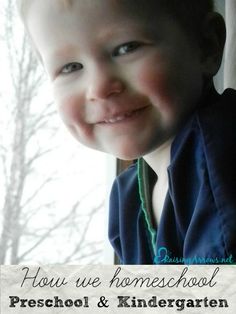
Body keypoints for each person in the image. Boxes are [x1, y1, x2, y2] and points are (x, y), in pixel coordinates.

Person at [17, 0, 236, 264]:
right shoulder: (128, 197)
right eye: (70, 67)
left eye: (126, 48)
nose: (99, 87)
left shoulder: (222, 154)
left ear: (206, 46)